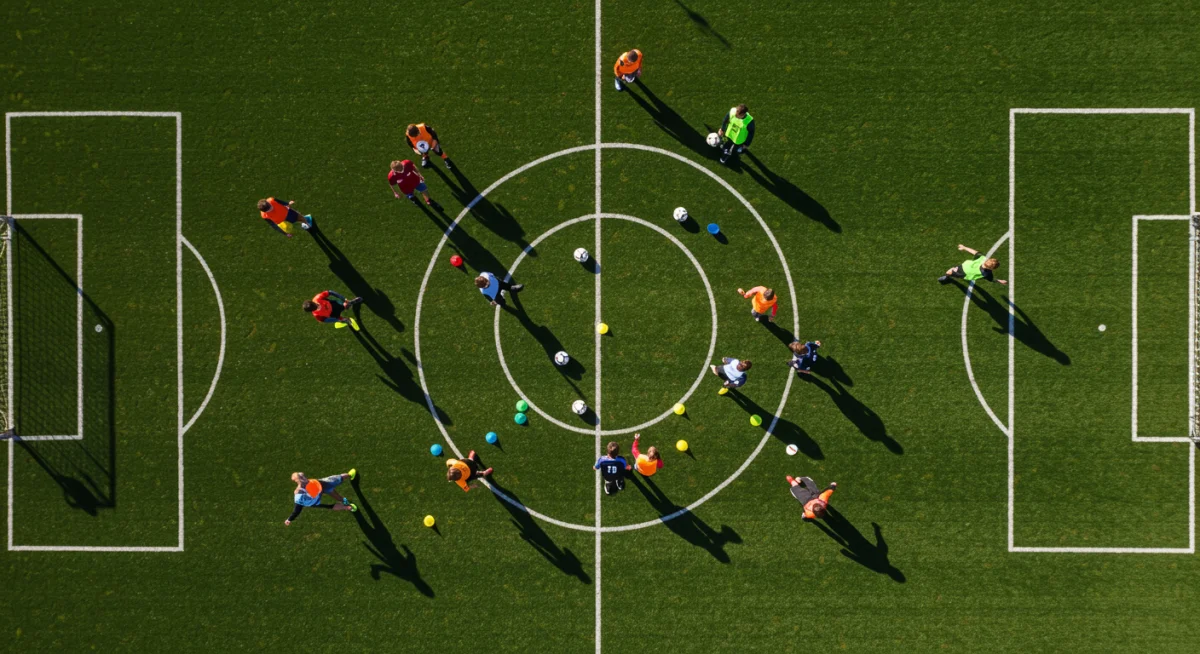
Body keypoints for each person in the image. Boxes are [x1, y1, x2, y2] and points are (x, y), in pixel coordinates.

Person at [284, 469, 357, 526]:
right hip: (320, 486)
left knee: (329, 506)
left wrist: (289, 519)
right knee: (335, 480)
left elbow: (297, 510)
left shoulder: (298, 495)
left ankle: (349, 507)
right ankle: (350, 475)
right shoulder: (304, 479)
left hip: (315, 501)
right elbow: (300, 475)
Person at [938, 244, 1008, 285]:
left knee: (950, 271)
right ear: (991, 268)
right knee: (951, 270)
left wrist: (964, 247)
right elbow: (991, 279)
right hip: (963, 271)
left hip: (963, 272)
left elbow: (974, 252)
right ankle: (947, 276)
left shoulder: (983, 258)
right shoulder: (987, 273)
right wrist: (999, 281)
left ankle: (946, 277)